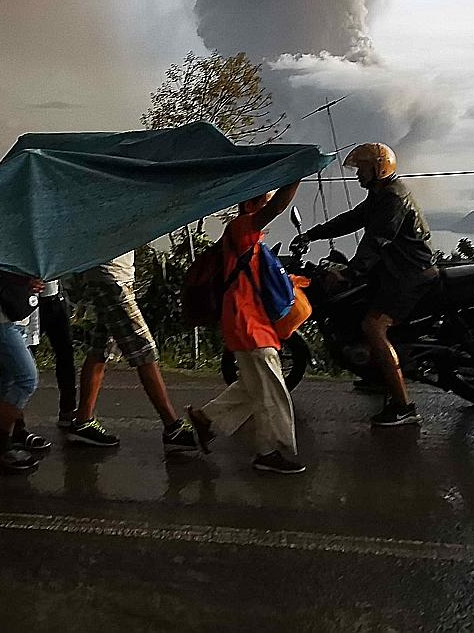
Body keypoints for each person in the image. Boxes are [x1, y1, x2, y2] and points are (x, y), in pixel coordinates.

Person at [294, 143, 438, 428]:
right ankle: (377, 375)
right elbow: (352, 220)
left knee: (373, 326)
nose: (358, 174)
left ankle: (404, 407)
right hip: (395, 272)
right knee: (360, 309)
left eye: (362, 168)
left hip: (408, 274)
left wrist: (350, 273)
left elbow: (378, 240)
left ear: (378, 168)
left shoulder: (392, 199)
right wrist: (312, 234)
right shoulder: (381, 194)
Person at [186, 183, 305, 474]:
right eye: (263, 198)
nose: (267, 203)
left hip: (246, 323)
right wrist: (296, 175)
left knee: (254, 386)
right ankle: (272, 451)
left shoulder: (246, 238)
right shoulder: (242, 229)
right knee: (273, 388)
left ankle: (206, 420)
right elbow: (278, 207)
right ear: (252, 204)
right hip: (249, 324)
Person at [66, 250, 198, 452]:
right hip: (111, 279)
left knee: (101, 349)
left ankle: (83, 421)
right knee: (144, 348)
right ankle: (172, 427)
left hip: (114, 277)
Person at [0, 279, 79, 432]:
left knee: (64, 353)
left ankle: (67, 411)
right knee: (24, 375)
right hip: (18, 306)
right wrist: (24, 281)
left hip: (49, 296)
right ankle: (11, 432)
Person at [0, 274, 50, 474]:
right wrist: (25, 282)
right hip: (2, 317)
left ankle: (6, 443)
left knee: (10, 377)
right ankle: (1, 439)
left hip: (20, 313)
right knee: (27, 379)